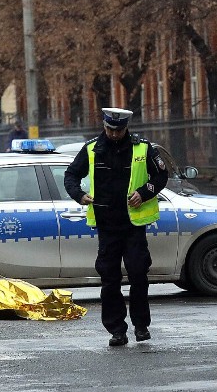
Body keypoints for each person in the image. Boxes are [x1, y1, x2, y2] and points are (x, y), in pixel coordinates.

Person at [64, 107, 168, 347]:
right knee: (109, 279)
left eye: (118, 130)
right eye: (110, 129)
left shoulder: (142, 147)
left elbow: (160, 177)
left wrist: (144, 193)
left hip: (134, 225)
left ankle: (141, 326)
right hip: (107, 225)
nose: (114, 134)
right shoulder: (92, 149)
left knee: (139, 274)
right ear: (104, 126)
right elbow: (71, 176)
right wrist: (79, 195)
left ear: (125, 128)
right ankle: (116, 330)